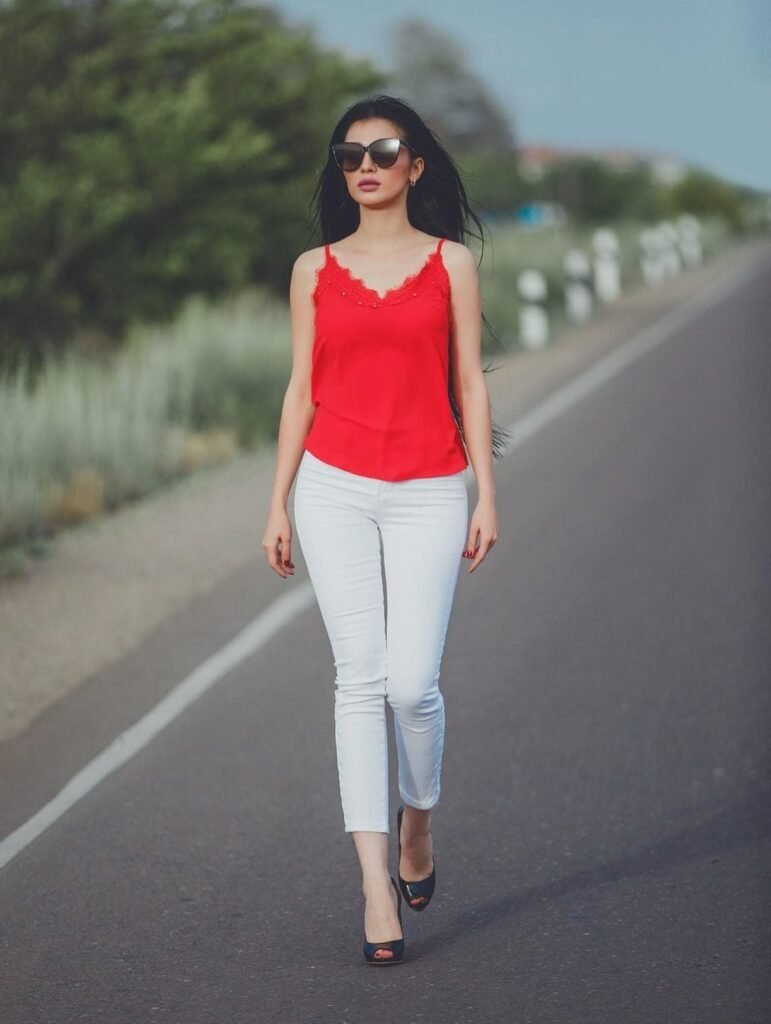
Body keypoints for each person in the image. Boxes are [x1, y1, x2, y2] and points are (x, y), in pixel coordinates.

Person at [261, 94, 508, 965]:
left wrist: (484, 493)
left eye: (383, 149)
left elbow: (469, 384)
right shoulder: (311, 269)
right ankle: (375, 885)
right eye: (349, 154)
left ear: (416, 165)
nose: (364, 164)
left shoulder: (450, 266)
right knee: (357, 681)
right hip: (332, 488)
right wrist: (278, 500)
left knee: (412, 685)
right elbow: (300, 389)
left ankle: (418, 826)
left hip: (430, 488)